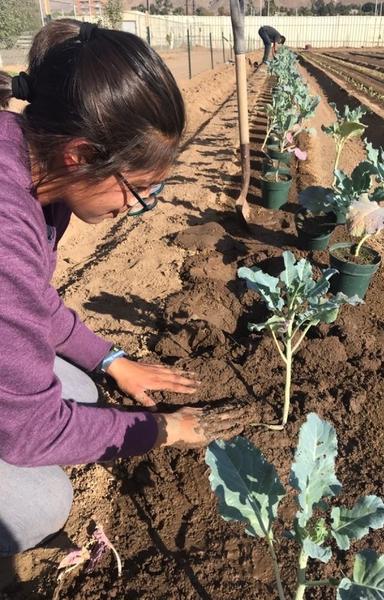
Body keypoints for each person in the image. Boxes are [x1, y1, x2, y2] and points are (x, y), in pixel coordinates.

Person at [0, 20, 243, 557]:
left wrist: (111, 360)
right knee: (38, 504)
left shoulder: (33, 163)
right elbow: (30, 433)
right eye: (140, 189)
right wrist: (164, 431)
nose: (137, 206)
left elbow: (29, 303)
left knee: (83, 393)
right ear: (83, 154)